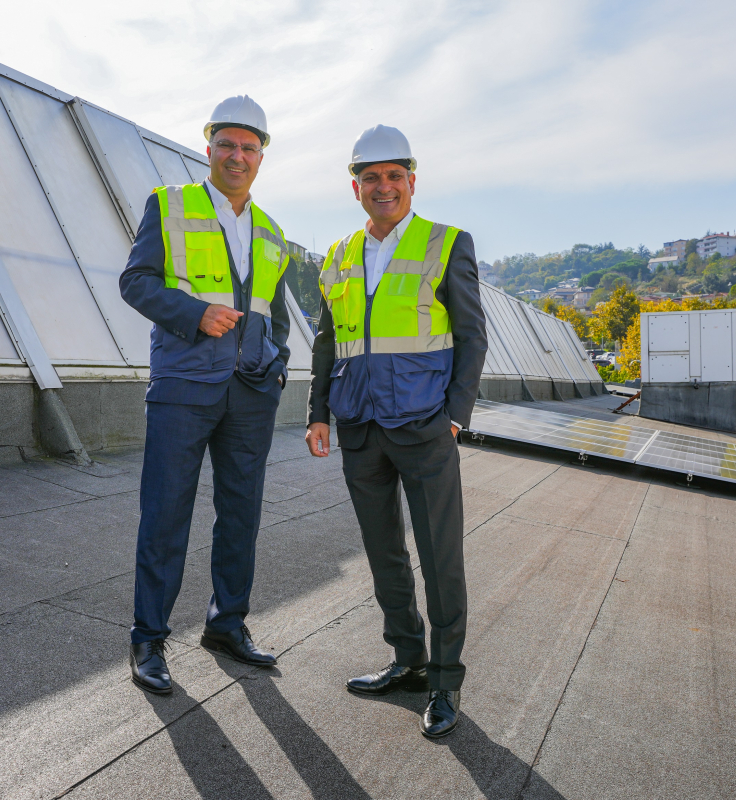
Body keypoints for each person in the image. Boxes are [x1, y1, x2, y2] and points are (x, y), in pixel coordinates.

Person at [305, 125, 487, 738]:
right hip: (359, 426)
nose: (383, 187)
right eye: (370, 177)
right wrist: (318, 412)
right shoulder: (336, 256)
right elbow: (329, 340)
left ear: (412, 181)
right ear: (354, 185)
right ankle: (406, 660)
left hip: (423, 424)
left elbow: (471, 336)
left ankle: (445, 680)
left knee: (440, 558)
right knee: (384, 554)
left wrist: (455, 415)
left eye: (394, 176)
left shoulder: (447, 243)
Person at [120, 95, 291, 694]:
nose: (238, 155)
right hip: (184, 385)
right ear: (209, 146)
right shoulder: (168, 205)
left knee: (240, 514)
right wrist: (195, 313)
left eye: (249, 146)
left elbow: (278, 314)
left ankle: (227, 624)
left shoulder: (272, 232)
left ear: (261, 155)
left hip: (250, 394)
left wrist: (277, 369)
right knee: (166, 512)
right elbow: (134, 282)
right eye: (227, 144)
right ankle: (148, 638)